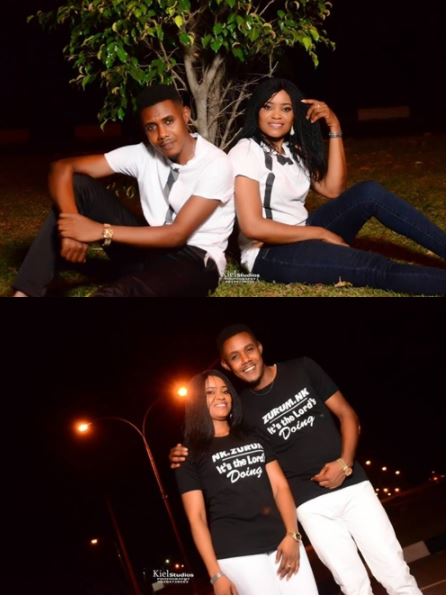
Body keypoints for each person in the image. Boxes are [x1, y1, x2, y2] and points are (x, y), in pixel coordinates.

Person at [171, 325, 422, 595]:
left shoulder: (302, 368)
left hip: (353, 486)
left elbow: (348, 416)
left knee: (394, 570)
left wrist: (344, 464)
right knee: (352, 584)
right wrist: (179, 452)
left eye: (249, 350)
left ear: (260, 347)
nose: (245, 360)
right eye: (235, 357)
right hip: (309, 505)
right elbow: (216, 440)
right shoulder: (243, 411)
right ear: (227, 365)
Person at [227, 77, 445, 295]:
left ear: (294, 116)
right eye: (268, 107)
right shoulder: (246, 151)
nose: (276, 115)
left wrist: (334, 125)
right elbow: (252, 226)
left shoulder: (293, 150)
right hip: (268, 252)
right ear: (257, 111)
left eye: (286, 109)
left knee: (369, 192)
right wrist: (320, 233)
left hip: (304, 229)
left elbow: (333, 189)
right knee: (372, 268)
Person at [12, 84, 234, 297]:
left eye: (168, 121)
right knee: (79, 185)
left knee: (117, 294)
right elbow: (62, 168)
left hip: (195, 259)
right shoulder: (143, 154)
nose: (162, 133)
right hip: (149, 250)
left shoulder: (215, 163)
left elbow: (177, 235)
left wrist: (101, 230)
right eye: (151, 127)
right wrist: (72, 225)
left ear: (185, 115)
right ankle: (24, 292)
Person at [175, 369, 318, 595]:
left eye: (225, 391)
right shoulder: (188, 453)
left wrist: (293, 534)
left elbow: (280, 487)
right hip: (237, 551)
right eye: (209, 392)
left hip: (283, 542)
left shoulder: (253, 437)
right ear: (196, 402)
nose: (220, 397)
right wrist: (215, 574)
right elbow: (197, 518)